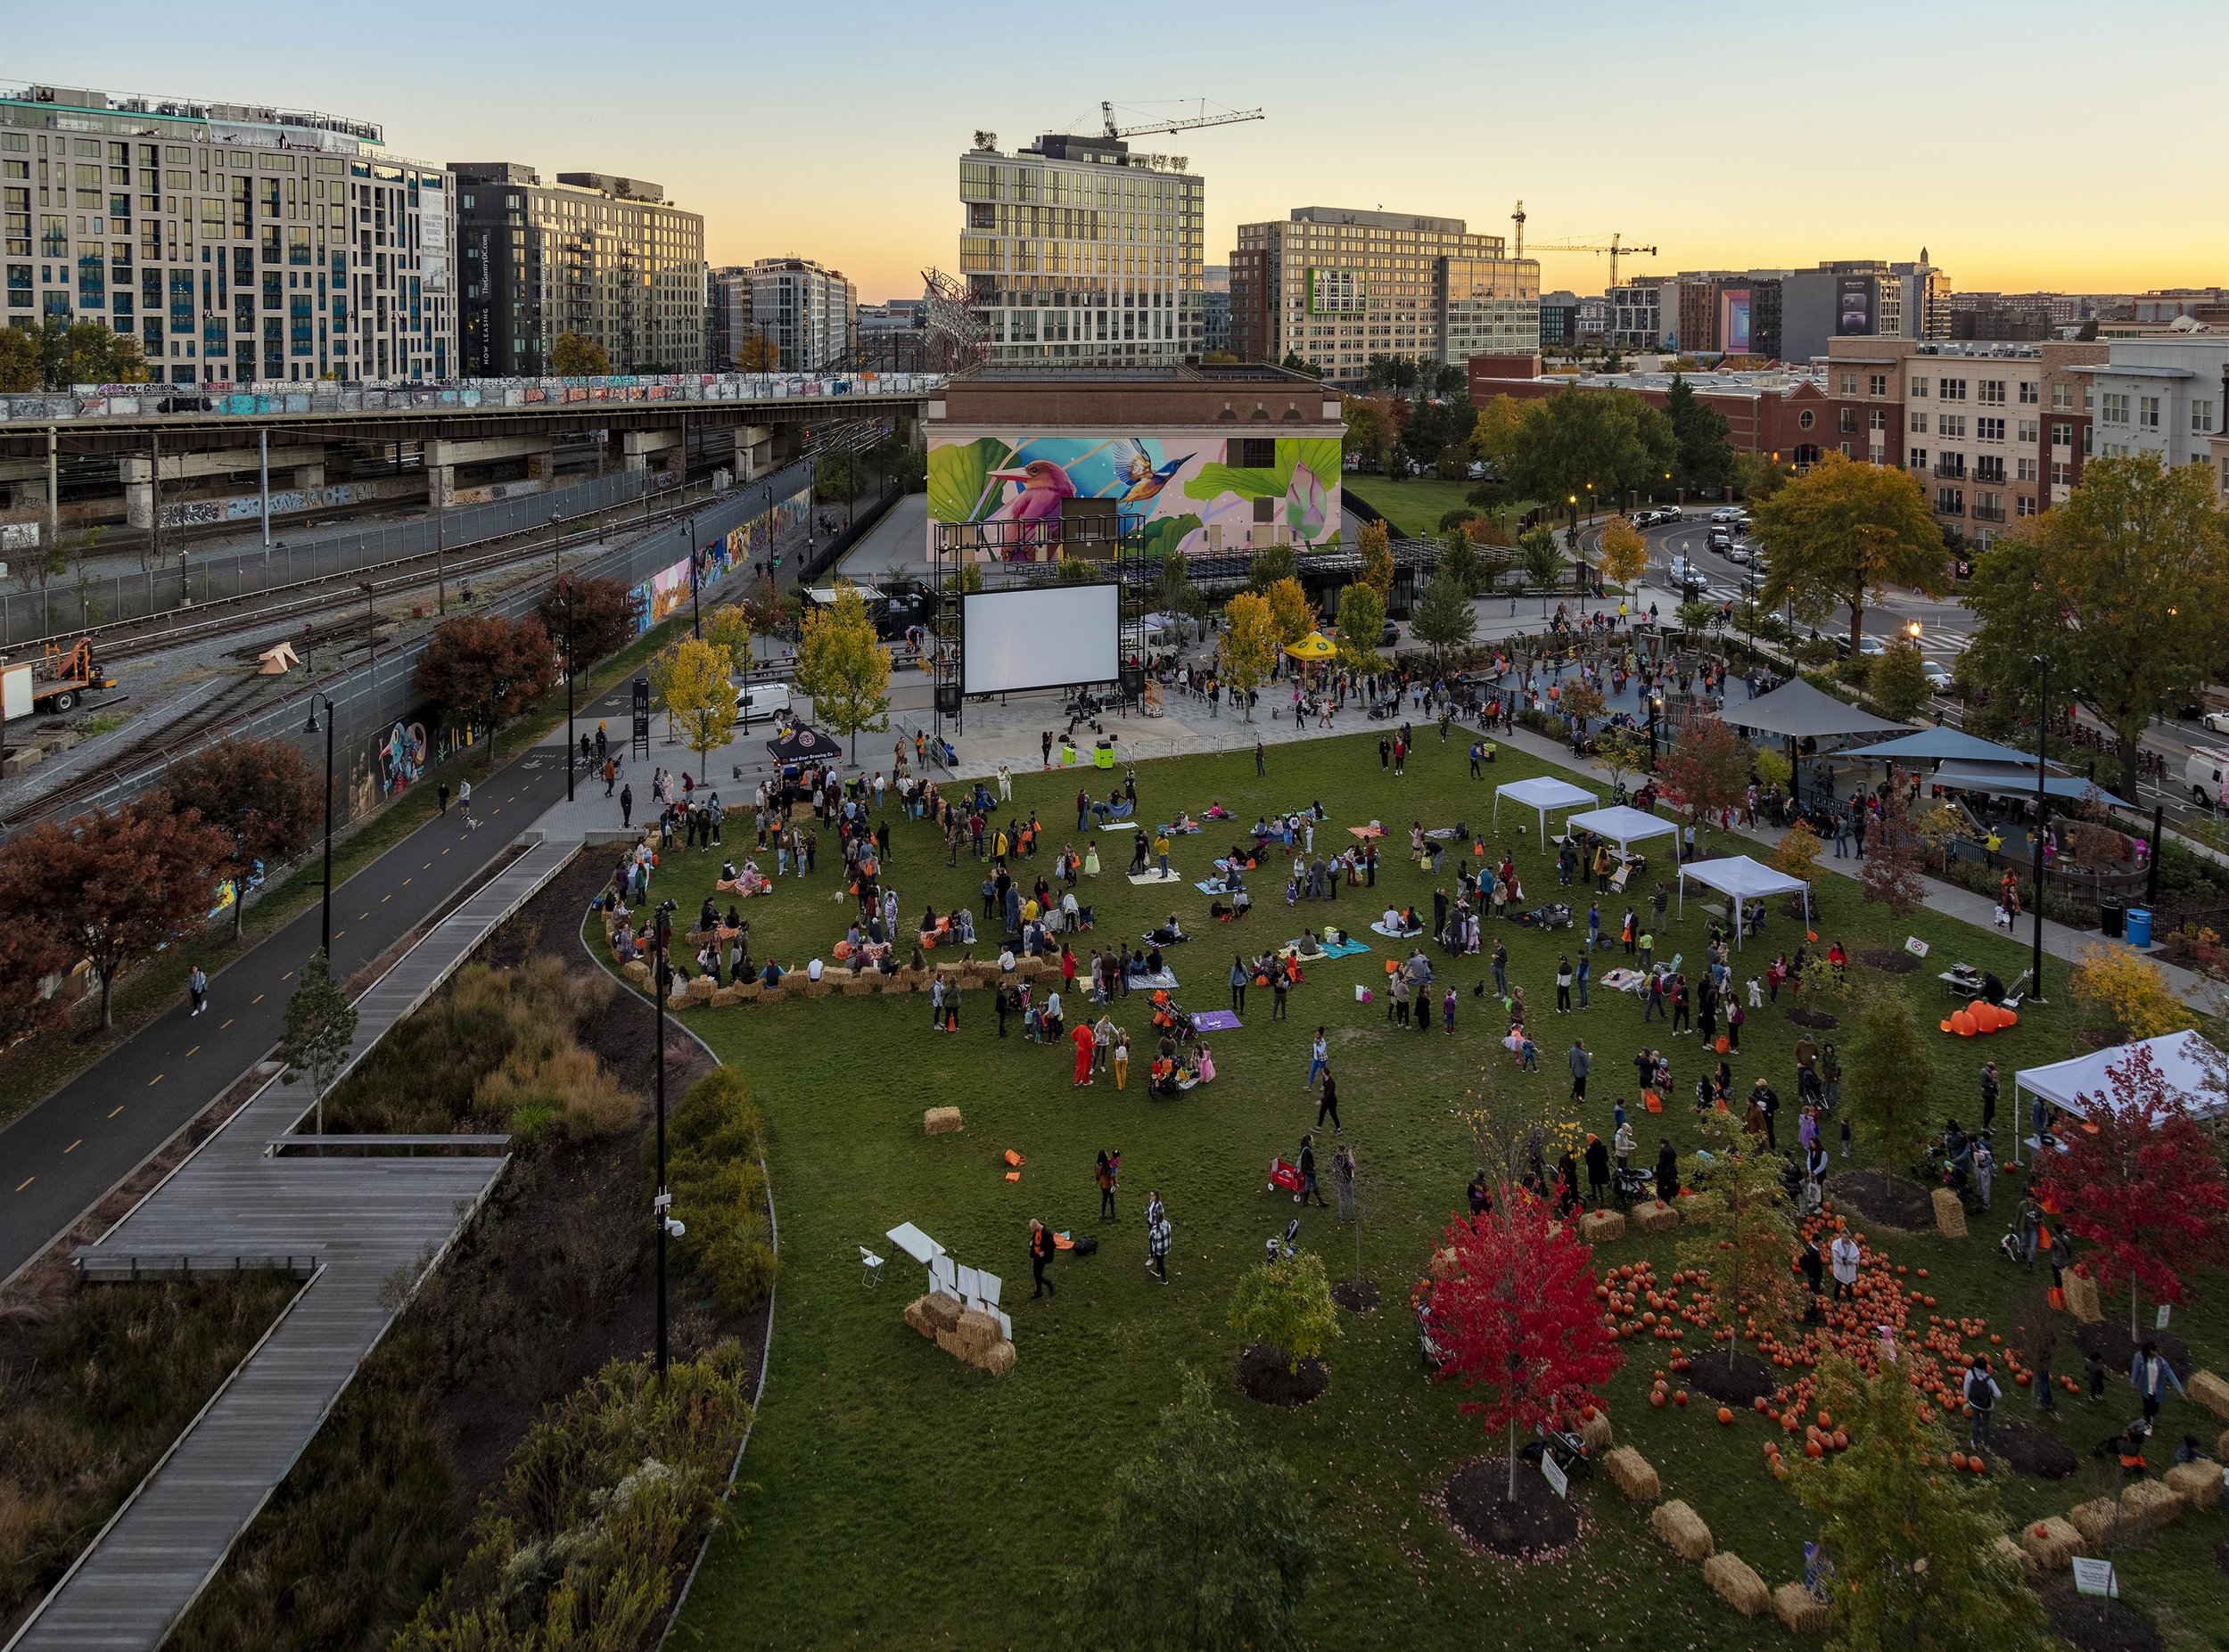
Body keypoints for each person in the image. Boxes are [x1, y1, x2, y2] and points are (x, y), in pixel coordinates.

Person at [2132, 1341, 2185, 1421]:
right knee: (2147, 1407)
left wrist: (2181, 1391)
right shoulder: (2140, 1358)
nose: (2158, 1352)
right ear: (2150, 1351)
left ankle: (2150, 1417)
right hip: (2145, 1388)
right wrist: (2133, 1382)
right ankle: (2148, 1423)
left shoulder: (2162, 1362)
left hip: (2157, 1390)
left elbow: (2171, 1375)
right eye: (2155, 1350)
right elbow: (2135, 1369)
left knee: (2155, 1409)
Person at [1964, 1356, 2001, 1453]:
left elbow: (1966, 1388)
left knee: (1976, 1422)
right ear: (1985, 1367)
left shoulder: (1969, 1374)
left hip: (1974, 1403)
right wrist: (1991, 1394)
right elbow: (1998, 1395)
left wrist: (1967, 1399)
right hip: (1986, 1405)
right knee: (1986, 1424)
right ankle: (1986, 1445)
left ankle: (1975, 1443)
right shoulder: (1988, 1379)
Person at [1028, 1217, 1057, 1299]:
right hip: (1036, 1255)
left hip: (1042, 1258)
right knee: (1035, 1273)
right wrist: (1031, 1241)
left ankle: (1049, 1284)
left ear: (1036, 1227)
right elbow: (1034, 1238)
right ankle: (1039, 1291)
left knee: (1038, 1274)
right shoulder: (1037, 1231)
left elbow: (1052, 1246)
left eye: (1032, 1229)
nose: (1032, 1231)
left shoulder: (1046, 1234)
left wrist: (1044, 1252)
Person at [1146, 1190, 1171, 1282]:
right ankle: (1157, 1270)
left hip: (1160, 1249)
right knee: (1160, 1261)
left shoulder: (1155, 1231)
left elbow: (1152, 1238)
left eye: (1152, 1195)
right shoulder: (1167, 1225)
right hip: (1166, 1247)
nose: (1150, 1196)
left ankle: (1164, 1279)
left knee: (1161, 1262)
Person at [1296, 1132, 1327, 1207]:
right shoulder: (1307, 1150)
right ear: (1309, 1141)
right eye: (1312, 1139)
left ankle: (1311, 1201)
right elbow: (1307, 1163)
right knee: (1310, 1185)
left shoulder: (1304, 1147)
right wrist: (1312, 1169)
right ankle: (1317, 1202)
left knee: (1311, 1185)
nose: (1313, 1140)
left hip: (1307, 1172)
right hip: (1309, 1172)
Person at [1830, 1229, 1860, 1301]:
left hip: (1850, 1269)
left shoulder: (1853, 1246)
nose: (1845, 1239)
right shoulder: (1836, 1244)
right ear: (1841, 1236)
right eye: (1843, 1237)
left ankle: (1849, 1301)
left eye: (1847, 1238)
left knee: (1849, 1286)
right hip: (1840, 1268)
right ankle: (1835, 1302)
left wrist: (1851, 1261)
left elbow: (1857, 1258)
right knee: (1838, 1285)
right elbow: (1836, 1257)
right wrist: (1843, 1261)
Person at [1583, 1133, 1610, 1206]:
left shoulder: (1591, 1151)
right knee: (1599, 1185)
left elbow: (1586, 1157)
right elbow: (1606, 1158)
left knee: (1594, 1183)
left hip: (1593, 1170)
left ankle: (1596, 1196)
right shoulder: (1603, 1148)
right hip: (1602, 1169)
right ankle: (1601, 1199)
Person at [1334, 1143, 1358, 1221]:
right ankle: (1353, 1217)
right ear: (1344, 1151)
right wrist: (1350, 1155)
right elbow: (1353, 1166)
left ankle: (1342, 1217)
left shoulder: (1335, 1159)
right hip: (1347, 1181)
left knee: (1341, 1199)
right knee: (1350, 1198)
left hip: (1340, 1181)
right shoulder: (1347, 1159)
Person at [1317, 1067, 1342, 1134]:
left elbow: (1329, 1094)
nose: (1321, 1072)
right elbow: (1324, 1085)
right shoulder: (1326, 1079)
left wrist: (1321, 1101)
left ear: (1325, 1073)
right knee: (1322, 1112)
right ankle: (1319, 1127)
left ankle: (1338, 1129)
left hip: (1331, 1101)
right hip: (1326, 1101)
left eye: (1322, 1071)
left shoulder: (1331, 1082)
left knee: (1333, 1115)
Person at [1096, 1150, 1118, 1221]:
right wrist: (1115, 1183)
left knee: (1104, 1200)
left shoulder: (1099, 1166)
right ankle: (1112, 1212)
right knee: (1111, 1199)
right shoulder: (1109, 1163)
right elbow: (1113, 1174)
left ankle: (1103, 1214)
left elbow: (1097, 1176)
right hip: (1110, 1184)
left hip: (1104, 1185)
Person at [1306, 1026, 1328, 1090]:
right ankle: (1309, 1086)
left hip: (1322, 1061)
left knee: (1323, 1073)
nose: (1316, 1035)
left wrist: (1317, 1044)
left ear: (1321, 1035)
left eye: (1318, 1034)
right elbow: (1314, 1047)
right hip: (1315, 1059)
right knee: (1312, 1072)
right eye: (1316, 1034)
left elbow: (1321, 1052)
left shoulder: (1323, 1043)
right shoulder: (1316, 1039)